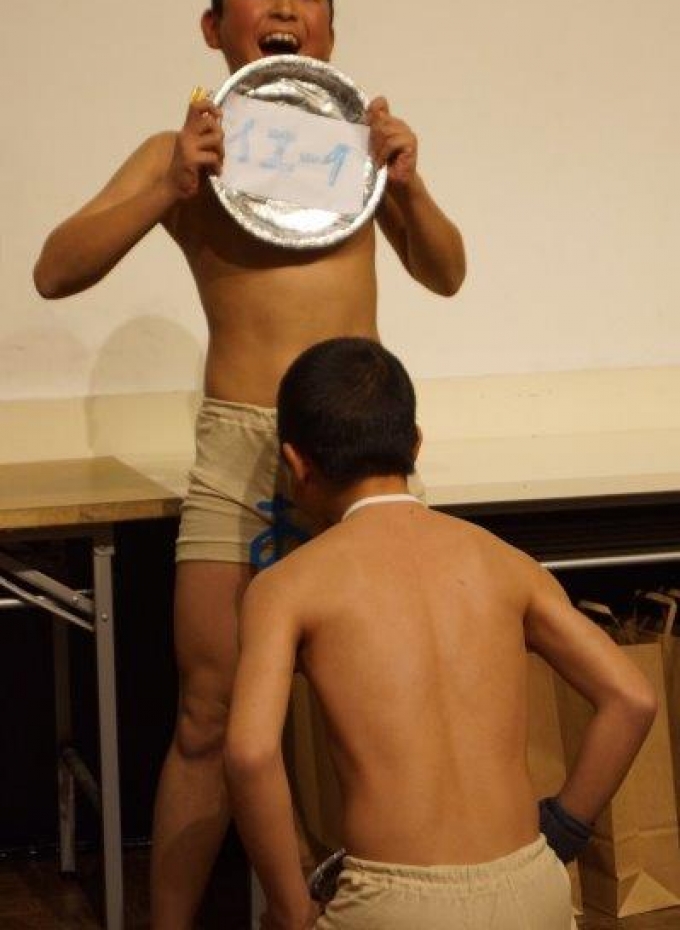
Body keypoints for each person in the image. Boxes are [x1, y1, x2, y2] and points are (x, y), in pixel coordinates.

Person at [34, 0, 466, 930]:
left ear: (329, 31)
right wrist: (168, 184)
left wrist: (409, 182)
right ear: (213, 26)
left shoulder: (358, 148)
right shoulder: (182, 153)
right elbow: (55, 270)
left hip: (362, 444)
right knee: (209, 712)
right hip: (243, 443)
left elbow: (445, 272)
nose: (284, 7)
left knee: (379, 696)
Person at [224, 336, 658, 930]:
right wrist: (561, 831)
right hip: (532, 887)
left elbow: (250, 754)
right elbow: (632, 698)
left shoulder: (286, 587)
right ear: (416, 445)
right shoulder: (508, 563)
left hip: (394, 902)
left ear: (296, 464)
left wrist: (290, 907)